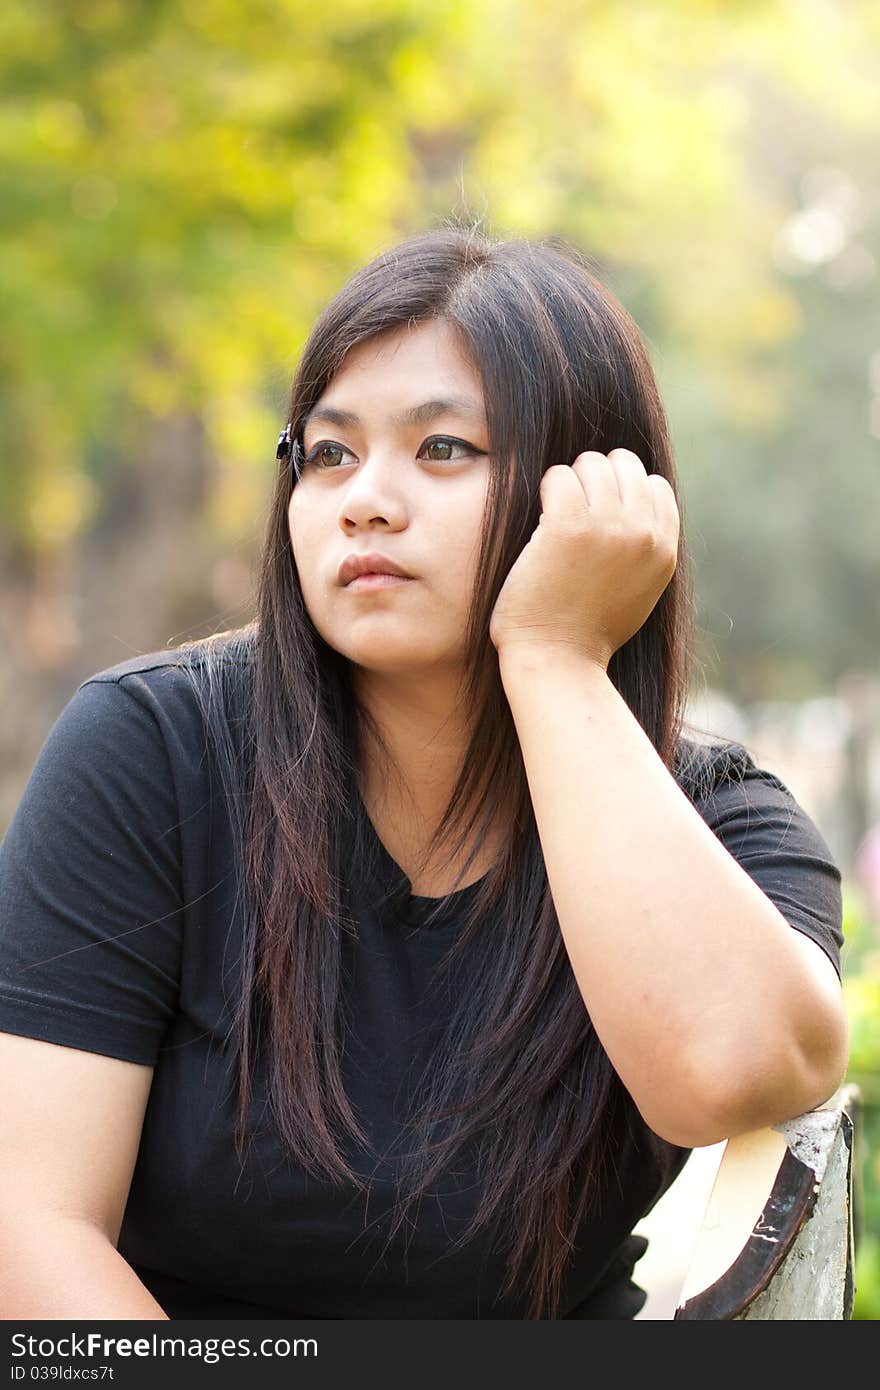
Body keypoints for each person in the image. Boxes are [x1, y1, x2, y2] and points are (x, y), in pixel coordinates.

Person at [0, 226, 848, 1321]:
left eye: (442, 449)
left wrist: (552, 657)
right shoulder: (151, 753)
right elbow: (30, 1221)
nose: (365, 499)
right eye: (329, 453)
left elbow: (731, 1072)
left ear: (588, 498)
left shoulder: (715, 818)